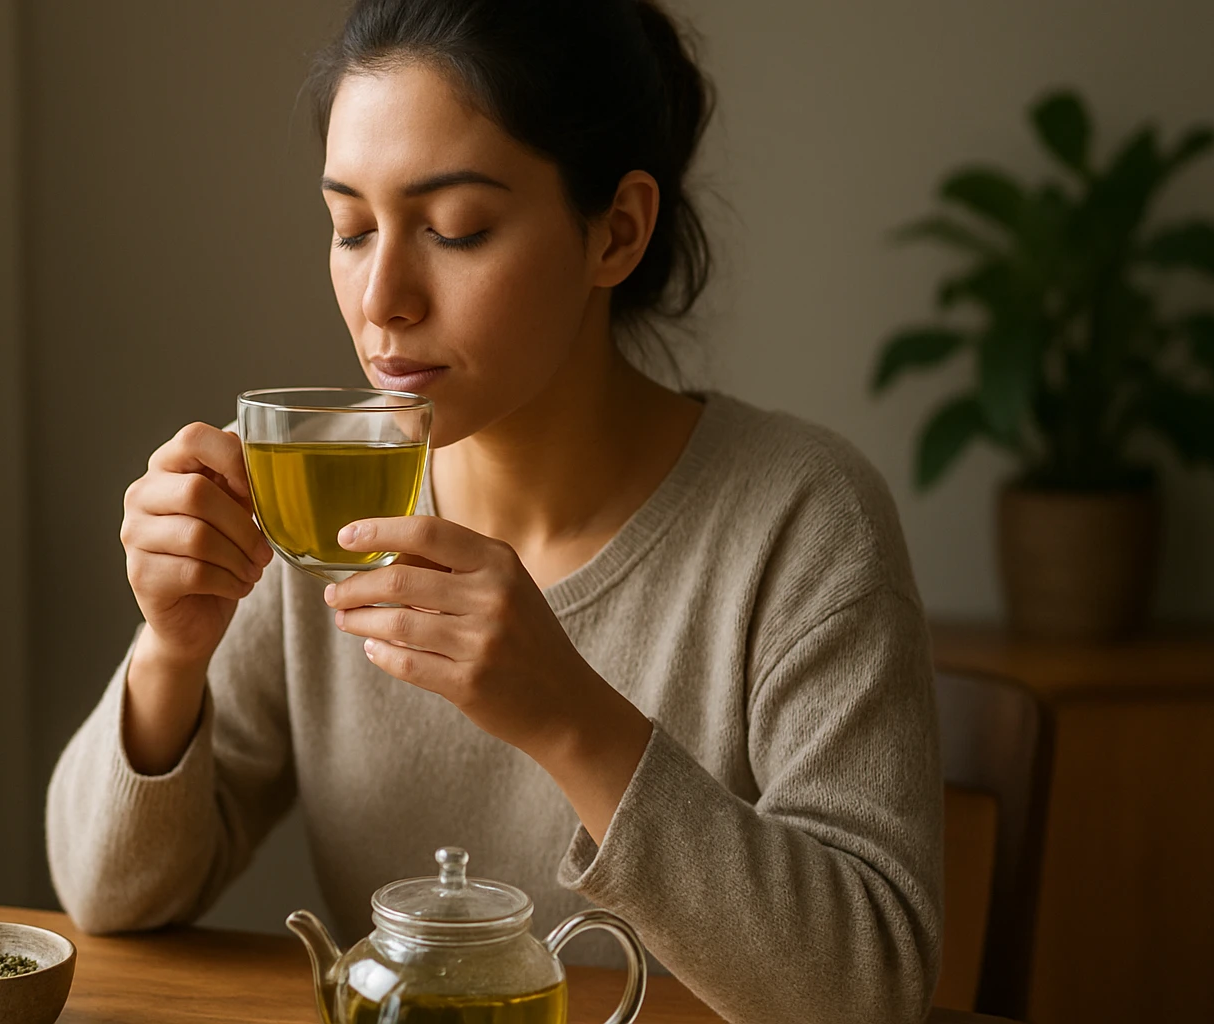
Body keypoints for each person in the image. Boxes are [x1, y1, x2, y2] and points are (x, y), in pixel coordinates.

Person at [47, 1, 943, 1021]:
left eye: (454, 228)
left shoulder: (801, 519)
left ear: (617, 231)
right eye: (349, 227)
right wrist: (171, 648)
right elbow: (108, 899)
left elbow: (871, 992)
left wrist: (571, 717)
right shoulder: (328, 497)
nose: (382, 295)